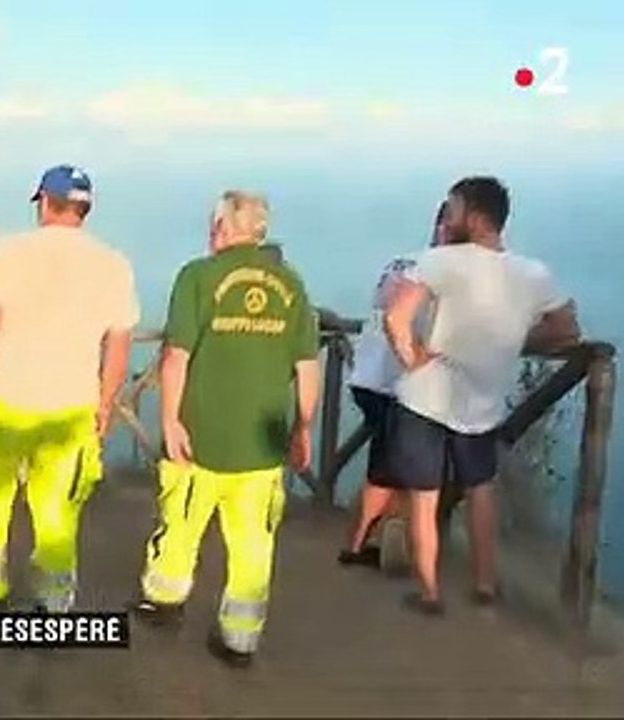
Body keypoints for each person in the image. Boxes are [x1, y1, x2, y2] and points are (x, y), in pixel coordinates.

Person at [0, 164, 140, 613]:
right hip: (71, 410)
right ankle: (52, 607)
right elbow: (118, 347)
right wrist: (106, 405)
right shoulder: (113, 264)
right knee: (58, 515)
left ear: (45, 203)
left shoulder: (10, 251)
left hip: (4, 401)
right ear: (85, 209)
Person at [132, 191, 320, 669]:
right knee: (254, 542)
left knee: (181, 523)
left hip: (202, 435)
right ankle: (240, 639)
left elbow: (177, 355)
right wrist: (303, 427)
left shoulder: (199, 276)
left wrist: (170, 419)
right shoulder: (292, 284)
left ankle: (165, 602)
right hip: (264, 442)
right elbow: (307, 365)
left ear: (219, 227)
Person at [385, 176, 581, 615]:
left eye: (452, 210)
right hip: (484, 402)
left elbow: (397, 317)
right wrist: (517, 345)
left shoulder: (440, 261)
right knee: (481, 488)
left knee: (424, 494)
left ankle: (429, 591)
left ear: (473, 218)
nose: (446, 217)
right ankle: (486, 583)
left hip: (425, 398)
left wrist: (411, 355)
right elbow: (566, 330)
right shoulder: (534, 274)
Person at [338, 201, 449, 567]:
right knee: (390, 471)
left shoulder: (400, 264)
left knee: (392, 466)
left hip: (367, 377)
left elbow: (381, 309)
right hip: (394, 384)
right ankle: (363, 545)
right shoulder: (437, 274)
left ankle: (377, 540)